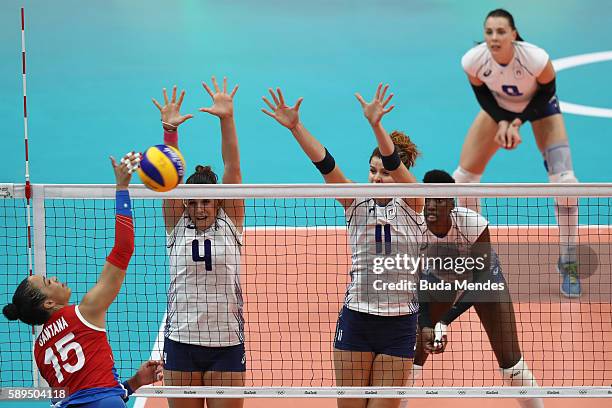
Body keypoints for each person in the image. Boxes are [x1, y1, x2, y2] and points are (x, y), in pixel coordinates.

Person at [263, 83, 424, 408]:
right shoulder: (355, 200)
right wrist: (296, 127)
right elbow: (326, 165)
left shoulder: (414, 202)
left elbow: (394, 162)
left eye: (385, 173)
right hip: (357, 319)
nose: (377, 178)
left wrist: (376, 125)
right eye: (372, 171)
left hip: (399, 324)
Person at [3, 153, 147, 407]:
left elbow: (82, 395)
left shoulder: (40, 352)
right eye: (48, 282)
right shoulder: (86, 312)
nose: (55, 279)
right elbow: (123, 249)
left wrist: (135, 382)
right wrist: (122, 189)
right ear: (48, 303)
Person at [456, 8, 580, 297]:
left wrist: (516, 122)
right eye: (489, 32)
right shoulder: (473, 61)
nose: (494, 37)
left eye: (501, 32)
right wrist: (502, 120)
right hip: (497, 111)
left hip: (541, 109)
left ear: (513, 34)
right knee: (462, 180)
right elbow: (483, 96)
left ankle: (570, 262)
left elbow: (547, 92)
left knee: (567, 184)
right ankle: (476, 259)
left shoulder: (535, 58)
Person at [399, 169, 543, 408]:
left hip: (483, 281)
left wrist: (443, 321)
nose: (431, 206)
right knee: (412, 355)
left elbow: (481, 282)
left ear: (451, 203)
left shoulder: (473, 225)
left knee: (511, 365)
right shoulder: (414, 231)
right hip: (437, 282)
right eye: (428, 199)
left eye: (439, 200)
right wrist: (426, 324)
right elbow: (418, 283)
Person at [151, 79, 245, 408]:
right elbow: (168, 176)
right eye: (192, 202)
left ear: (218, 203)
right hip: (181, 343)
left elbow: (232, 169)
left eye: (207, 201)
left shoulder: (230, 226)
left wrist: (226, 119)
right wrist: (169, 132)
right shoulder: (177, 227)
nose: (200, 208)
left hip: (226, 344)